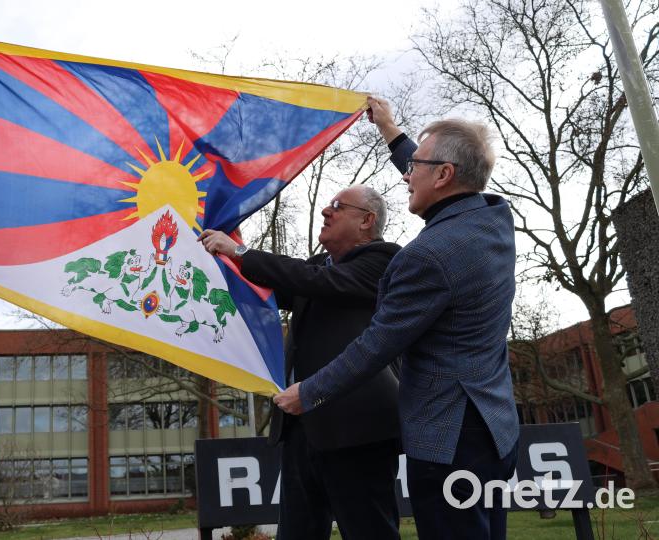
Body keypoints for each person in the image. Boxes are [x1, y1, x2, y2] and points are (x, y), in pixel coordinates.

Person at [275, 97, 520, 539]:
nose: (407, 175)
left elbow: (376, 346)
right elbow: (443, 171)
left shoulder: (426, 257)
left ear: (443, 175)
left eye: (416, 167)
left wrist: (307, 394)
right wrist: (390, 129)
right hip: (495, 430)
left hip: (449, 443)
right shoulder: (491, 218)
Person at [199, 184, 402, 539]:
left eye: (337, 206)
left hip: (357, 432)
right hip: (301, 428)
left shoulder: (383, 262)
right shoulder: (318, 268)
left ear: (367, 221)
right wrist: (225, 257)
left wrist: (241, 251)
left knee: (370, 531)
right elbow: (268, 289)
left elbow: (311, 280)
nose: (326, 211)